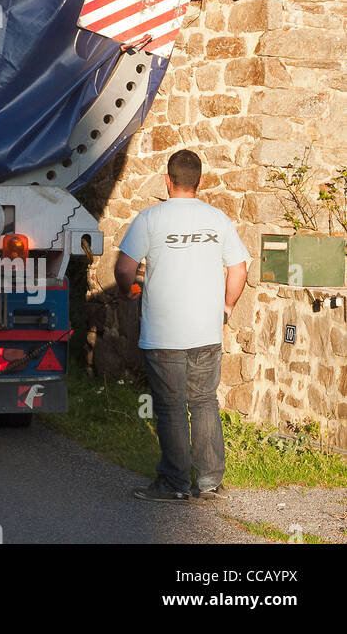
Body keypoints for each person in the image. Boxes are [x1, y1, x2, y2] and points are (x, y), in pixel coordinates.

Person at [115, 148, 250, 503]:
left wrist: (129, 291)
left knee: (171, 406)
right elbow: (239, 269)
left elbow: (125, 269)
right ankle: (210, 485)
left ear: (167, 180)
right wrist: (226, 307)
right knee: (204, 402)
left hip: (163, 334)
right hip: (206, 331)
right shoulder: (218, 219)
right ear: (201, 182)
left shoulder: (149, 219)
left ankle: (174, 484)